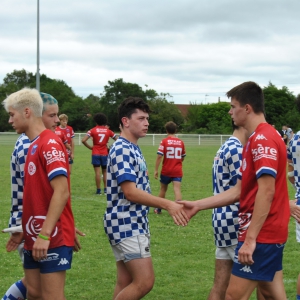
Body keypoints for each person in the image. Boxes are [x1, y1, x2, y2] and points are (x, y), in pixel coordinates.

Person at [179, 82, 290, 300]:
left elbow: (266, 192)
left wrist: (250, 239)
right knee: (270, 293)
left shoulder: (261, 139)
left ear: (247, 108)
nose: (230, 111)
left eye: (233, 106)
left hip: (263, 234)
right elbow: (240, 190)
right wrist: (198, 205)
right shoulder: (254, 139)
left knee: (233, 296)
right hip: (266, 233)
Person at [103, 96, 189, 300]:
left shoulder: (132, 147)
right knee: (144, 281)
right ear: (125, 121)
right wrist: (167, 204)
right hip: (127, 223)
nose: (146, 122)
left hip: (127, 223)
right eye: (141, 118)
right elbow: (130, 192)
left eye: (147, 118)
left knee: (125, 282)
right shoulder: (123, 148)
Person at [3, 88, 75, 300]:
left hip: (50, 236)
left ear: (26, 112)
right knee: (34, 293)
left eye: (11, 114)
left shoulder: (50, 143)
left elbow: (61, 192)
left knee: (50, 296)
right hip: (33, 233)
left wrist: (44, 234)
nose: (9, 121)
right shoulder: (32, 144)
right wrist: (25, 230)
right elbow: (35, 197)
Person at [207, 122, 248, 300]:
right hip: (234, 220)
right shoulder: (237, 149)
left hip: (222, 219)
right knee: (245, 287)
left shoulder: (226, 146)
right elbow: (243, 190)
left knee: (220, 285)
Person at [153, 121, 186, 214]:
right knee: (177, 189)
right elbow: (182, 156)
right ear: (176, 130)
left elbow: (159, 156)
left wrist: (156, 169)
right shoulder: (181, 142)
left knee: (163, 189)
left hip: (166, 170)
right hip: (177, 170)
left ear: (166, 131)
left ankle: (158, 209)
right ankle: (179, 210)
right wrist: (177, 162)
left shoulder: (164, 141)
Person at [82, 113, 117, 195]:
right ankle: (105, 190)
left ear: (96, 121)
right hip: (105, 153)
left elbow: (83, 140)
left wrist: (91, 147)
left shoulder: (92, 130)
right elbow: (118, 140)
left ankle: (98, 191)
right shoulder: (108, 131)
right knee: (105, 172)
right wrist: (111, 147)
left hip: (96, 153)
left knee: (97, 172)